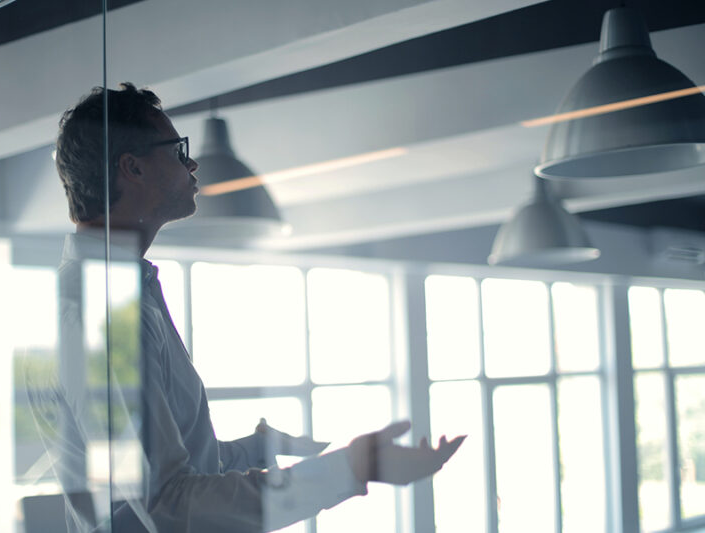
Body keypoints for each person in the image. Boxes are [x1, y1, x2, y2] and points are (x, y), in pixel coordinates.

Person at [52, 82, 465, 532]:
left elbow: (172, 472)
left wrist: (257, 447)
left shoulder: (117, 294)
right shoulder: (102, 313)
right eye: (176, 150)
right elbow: (168, 506)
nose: (191, 163)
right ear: (132, 168)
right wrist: (352, 469)